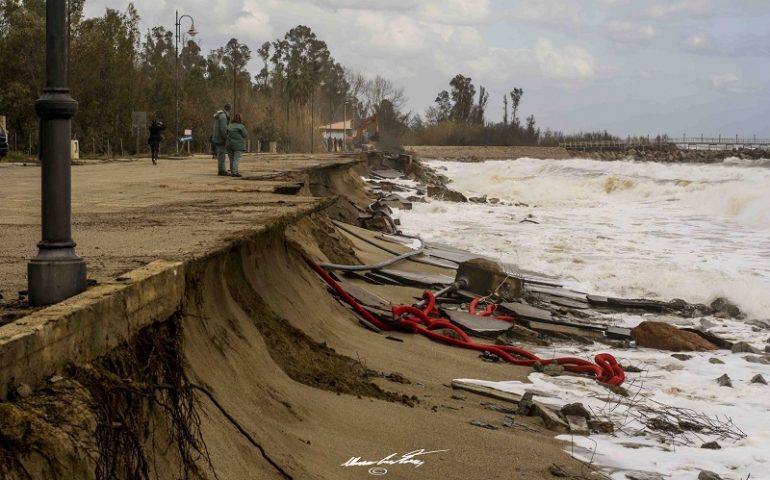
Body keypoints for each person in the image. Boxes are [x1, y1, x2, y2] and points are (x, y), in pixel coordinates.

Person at [211, 103, 232, 175]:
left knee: (220, 155)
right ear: (229, 109)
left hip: (216, 137)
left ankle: (221, 169)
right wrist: (226, 138)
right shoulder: (223, 116)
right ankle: (222, 170)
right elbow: (223, 129)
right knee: (222, 155)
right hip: (220, 139)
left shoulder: (220, 115)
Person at [226, 113, 248, 177]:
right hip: (238, 145)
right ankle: (235, 173)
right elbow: (245, 135)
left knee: (231, 159)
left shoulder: (229, 125)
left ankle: (233, 172)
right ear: (240, 119)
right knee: (236, 159)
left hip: (229, 145)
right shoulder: (241, 126)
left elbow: (226, 133)